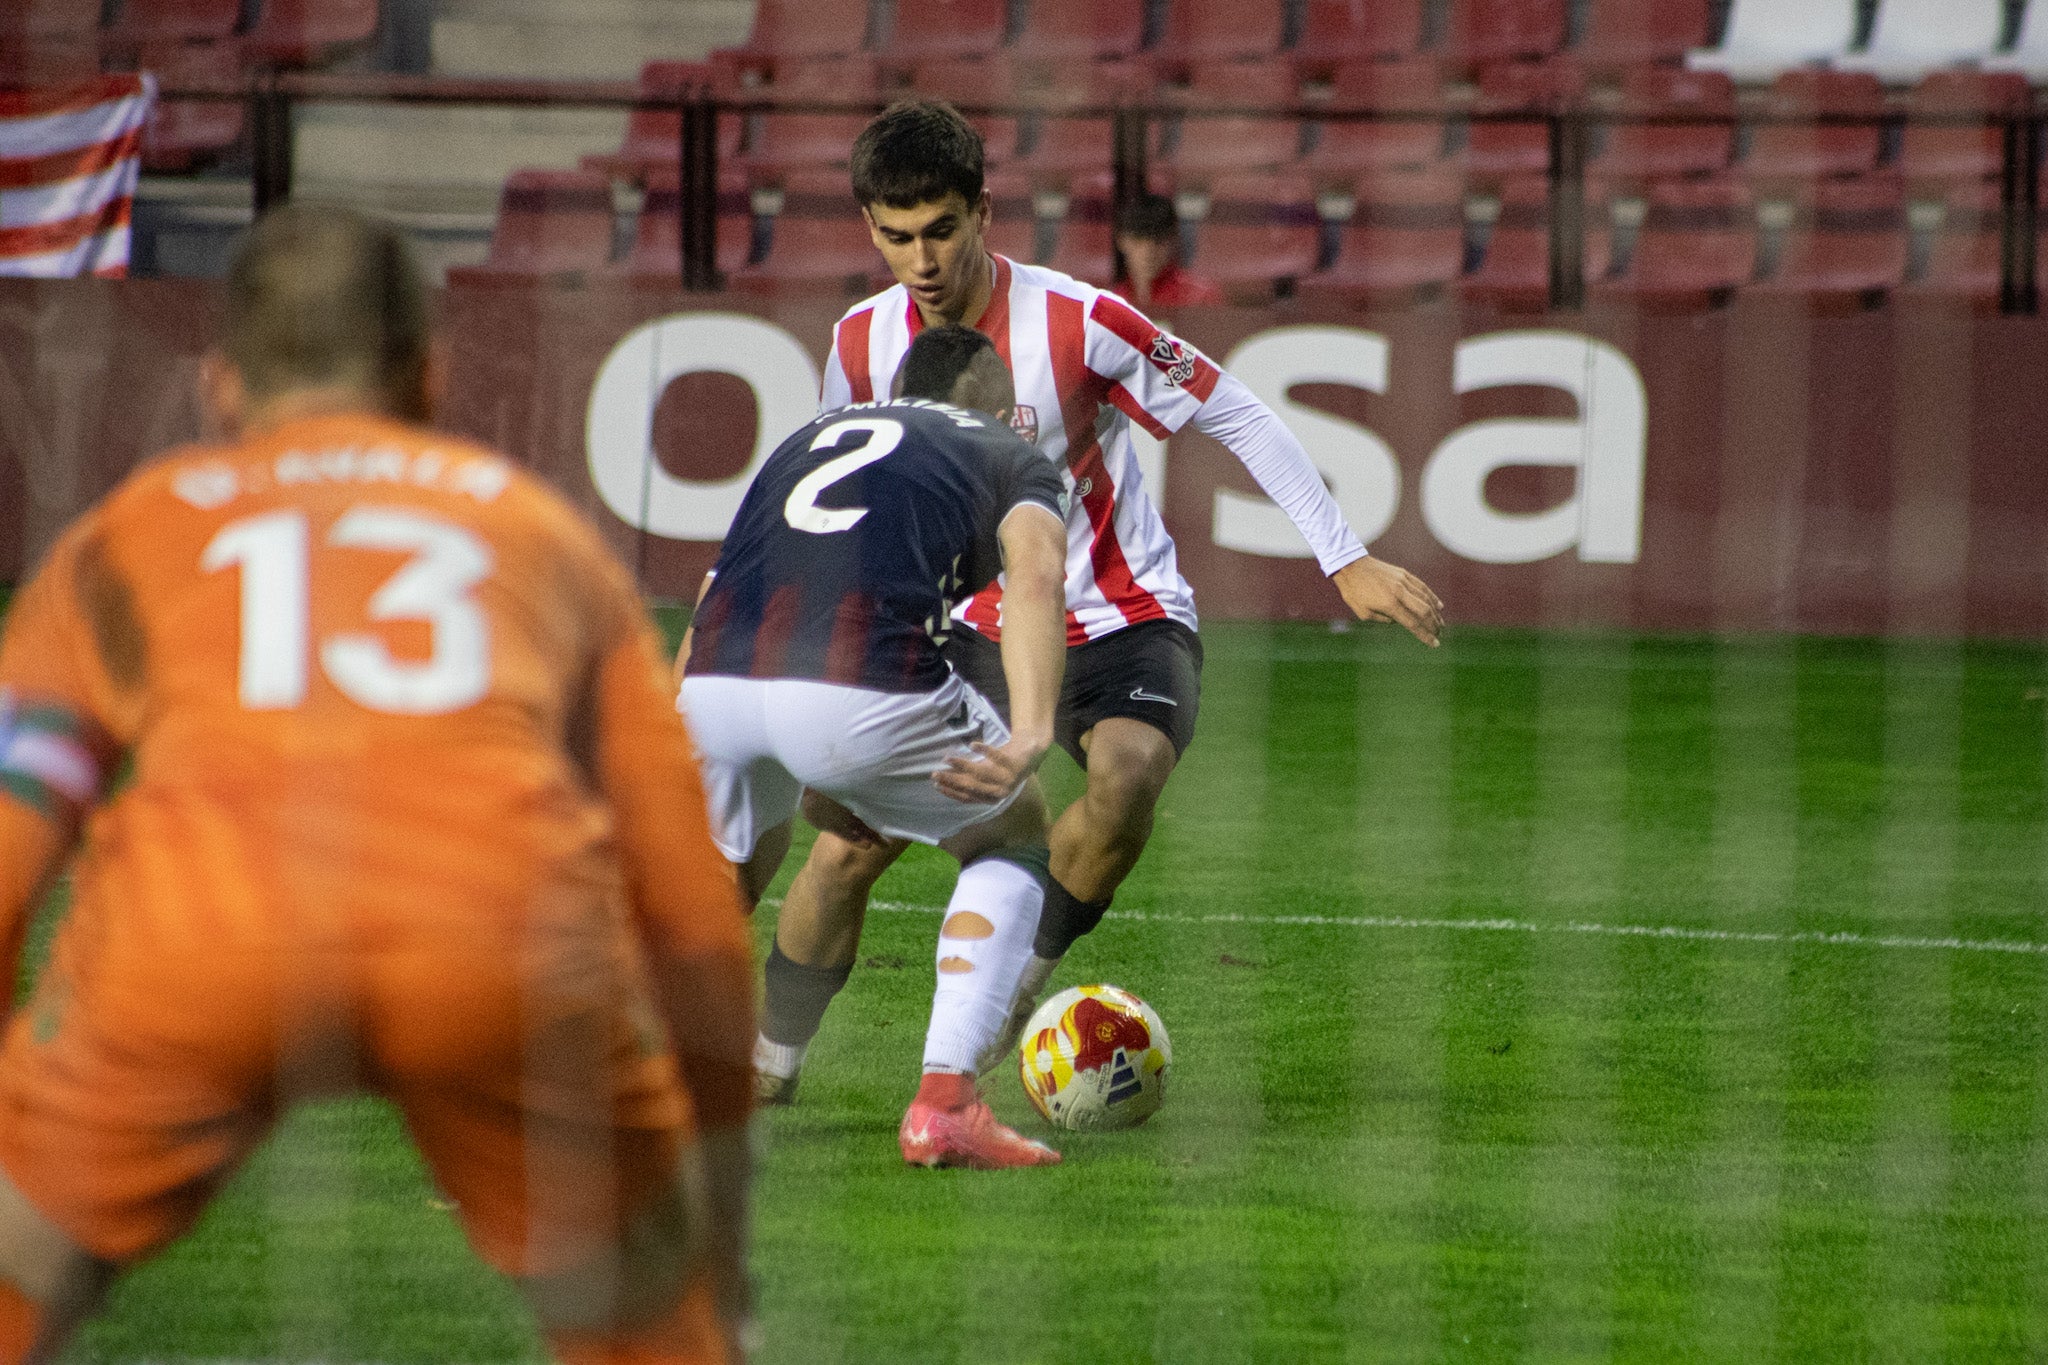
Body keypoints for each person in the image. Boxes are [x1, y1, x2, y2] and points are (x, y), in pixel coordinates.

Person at [0, 206, 756, 1364]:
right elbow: (693, 915)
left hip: (199, 940)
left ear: (220, 388)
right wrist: (715, 1222)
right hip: (493, 940)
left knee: (19, 1270)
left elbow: (12, 852)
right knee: (645, 1319)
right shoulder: (541, 534)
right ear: (430, 377)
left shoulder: (124, 536)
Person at [757, 98, 1446, 1098]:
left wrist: (1342, 557)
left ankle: (1001, 1007)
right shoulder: (859, 343)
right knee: (845, 852)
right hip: (966, 632)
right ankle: (768, 1061)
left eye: (941, 228)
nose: (923, 259)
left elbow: (1231, 409)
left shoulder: (1080, 321)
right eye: (897, 236)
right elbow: (850, 500)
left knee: (1124, 781)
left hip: (1121, 610)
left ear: (983, 211)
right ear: (869, 227)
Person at [677, 324, 1069, 1170]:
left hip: (715, 679)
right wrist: (1033, 728)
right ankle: (947, 1105)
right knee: (1013, 831)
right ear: (993, 400)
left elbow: (720, 584)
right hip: (860, 683)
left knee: (723, 870)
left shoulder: (808, 436)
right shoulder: (1006, 449)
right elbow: (1036, 575)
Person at [1111, 192, 1223, 308]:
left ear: (1173, 241)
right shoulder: (1113, 301)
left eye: (1158, 241)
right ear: (1121, 240)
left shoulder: (1201, 298)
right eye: (1138, 240)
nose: (1148, 252)